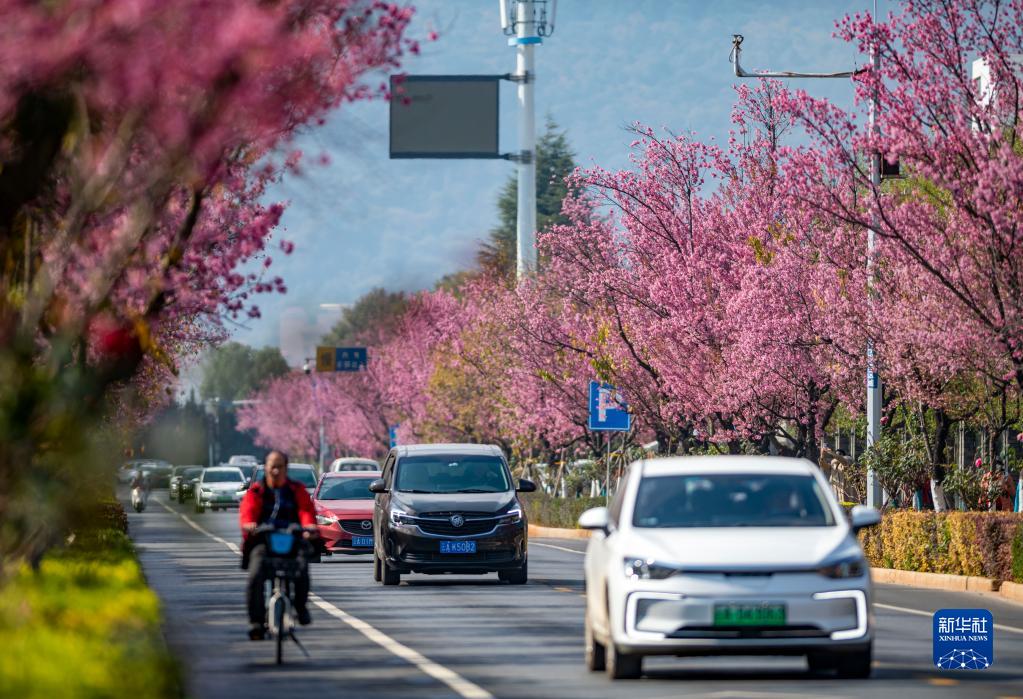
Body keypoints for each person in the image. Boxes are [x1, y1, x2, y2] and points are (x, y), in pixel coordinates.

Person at [239, 450, 317, 640]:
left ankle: (300, 607)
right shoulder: (255, 492)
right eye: (272, 466)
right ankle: (256, 621)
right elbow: (247, 513)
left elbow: (306, 510)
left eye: (279, 466)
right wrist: (250, 525)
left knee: (301, 568)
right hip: (264, 542)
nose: (275, 471)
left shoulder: (296, 490)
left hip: (292, 540)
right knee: (255, 576)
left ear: (286, 468)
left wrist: (308, 527)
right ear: (265, 468)